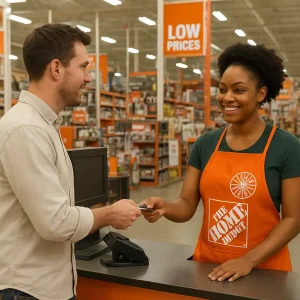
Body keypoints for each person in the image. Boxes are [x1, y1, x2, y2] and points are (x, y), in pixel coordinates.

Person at [0, 24, 141, 300]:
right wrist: (110, 214)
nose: (88, 78)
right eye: (84, 67)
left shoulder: (43, 125)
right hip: (27, 290)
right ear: (56, 69)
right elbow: (55, 222)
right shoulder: (26, 130)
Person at [142, 43, 300, 282]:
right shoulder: (206, 144)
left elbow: (293, 219)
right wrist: (164, 206)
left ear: (261, 94)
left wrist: (249, 260)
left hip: (265, 272)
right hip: (208, 268)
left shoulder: (285, 146)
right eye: (222, 89)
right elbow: (186, 204)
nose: (227, 98)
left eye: (239, 90)